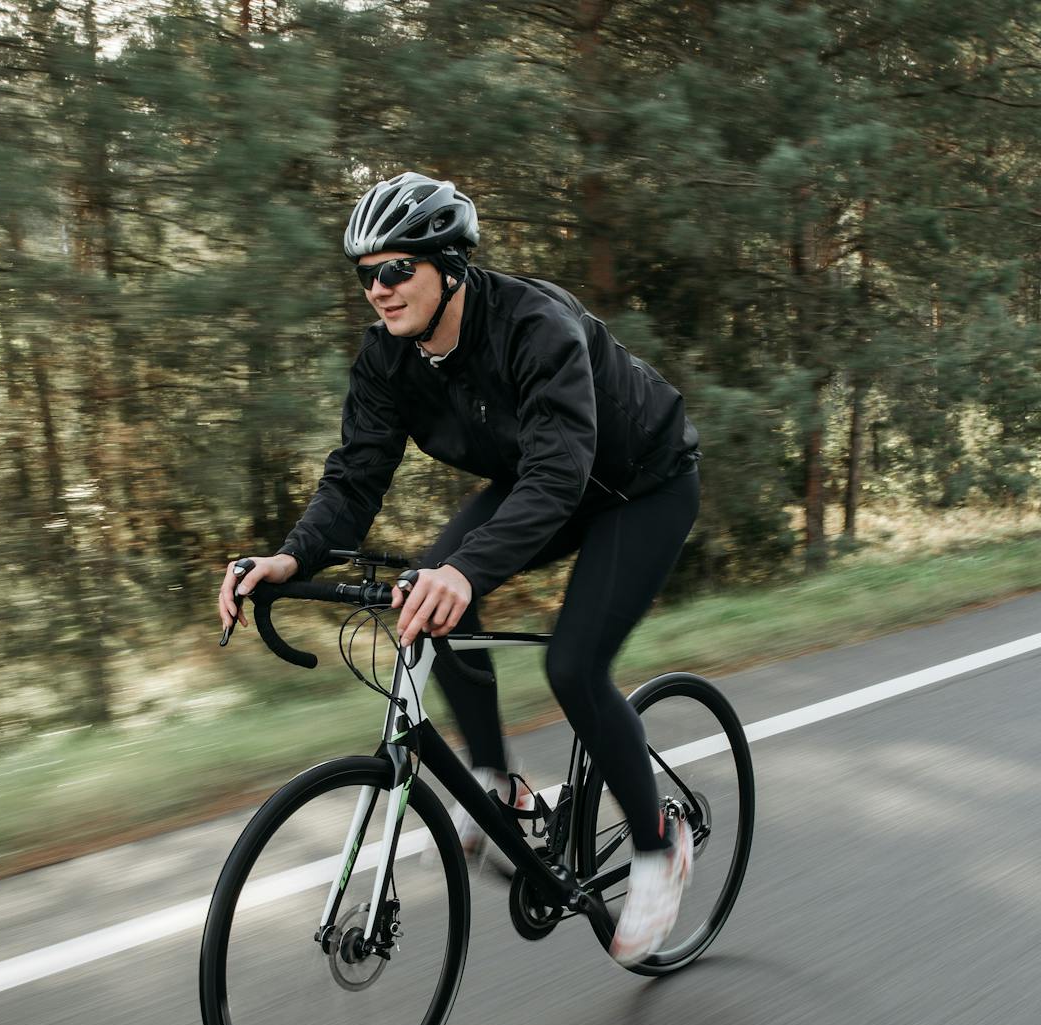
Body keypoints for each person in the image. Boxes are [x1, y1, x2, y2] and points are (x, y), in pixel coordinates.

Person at [216, 171, 702, 965]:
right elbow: (355, 475)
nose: (377, 288)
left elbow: (559, 471)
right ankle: (496, 780)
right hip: (548, 483)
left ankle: (657, 851)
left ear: (448, 263)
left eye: (396, 268)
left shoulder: (535, 325)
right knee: (428, 585)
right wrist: (290, 556)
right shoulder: (388, 360)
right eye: (365, 273)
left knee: (573, 663)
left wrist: (467, 571)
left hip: (643, 484)